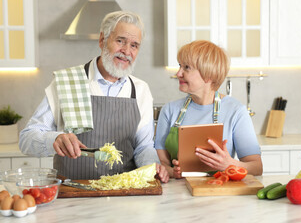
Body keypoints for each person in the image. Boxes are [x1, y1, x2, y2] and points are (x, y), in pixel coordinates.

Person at [19, 11, 169, 183]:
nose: (126, 51)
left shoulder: (140, 90)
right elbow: (26, 139)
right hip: (72, 190)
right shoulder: (68, 81)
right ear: (102, 40)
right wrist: (54, 139)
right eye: (120, 41)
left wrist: (152, 167)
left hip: (124, 192)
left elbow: (143, 147)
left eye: (134, 45)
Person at [154, 40, 262, 178]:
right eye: (180, 66)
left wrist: (229, 164)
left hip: (219, 192)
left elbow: (257, 167)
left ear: (208, 75)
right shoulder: (169, 110)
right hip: (177, 194)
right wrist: (173, 172)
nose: (178, 73)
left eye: (186, 67)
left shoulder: (236, 111)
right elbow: (162, 163)